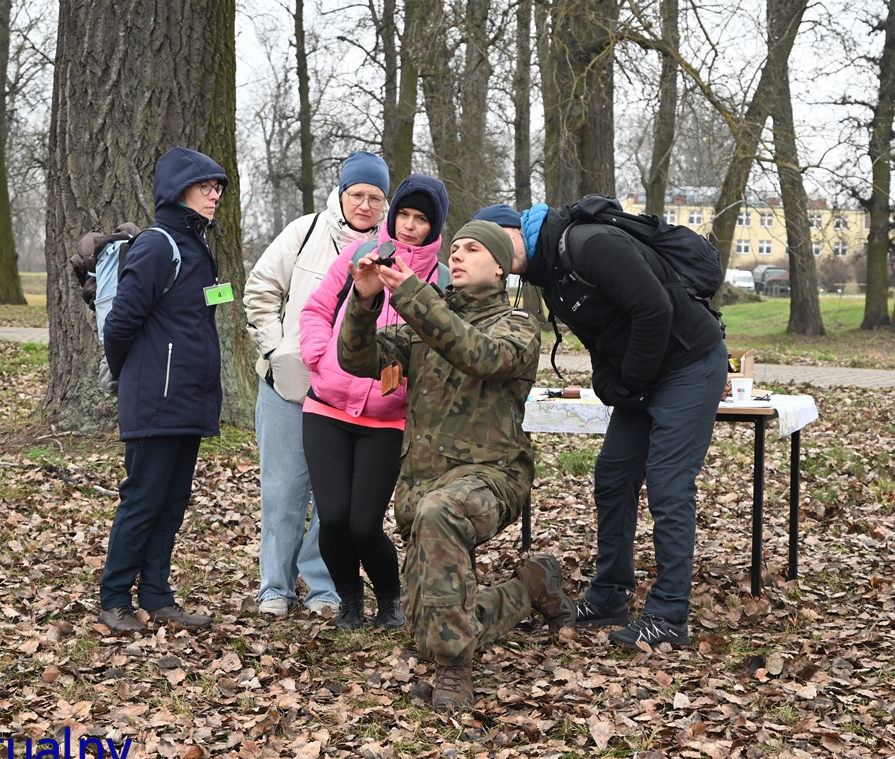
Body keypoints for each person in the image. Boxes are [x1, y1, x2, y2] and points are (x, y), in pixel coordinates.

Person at [338, 219, 577, 712]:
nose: (459, 256)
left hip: (491, 477)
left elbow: (480, 355)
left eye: (473, 249)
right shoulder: (426, 321)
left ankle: (454, 670)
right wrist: (363, 301)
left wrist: (412, 294)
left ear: (500, 267)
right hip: (423, 483)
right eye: (457, 248)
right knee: (426, 630)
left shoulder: (517, 324)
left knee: (440, 514)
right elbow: (357, 360)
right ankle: (530, 586)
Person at [481, 202, 726, 649]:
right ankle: (610, 594)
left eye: (496, 239)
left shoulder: (587, 243)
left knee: (669, 485)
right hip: (645, 374)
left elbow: (654, 309)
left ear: (516, 229)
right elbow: (600, 337)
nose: (494, 253)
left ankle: (669, 614)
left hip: (689, 362)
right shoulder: (550, 277)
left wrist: (629, 381)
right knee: (613, 477)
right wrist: (609, 384)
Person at [243, 152, 391, 618]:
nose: (365, 205)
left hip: (350, 399)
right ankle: (275, 587)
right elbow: (260, 290)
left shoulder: (391, 250)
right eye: (357, 194)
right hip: (289, 388)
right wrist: (276, 350)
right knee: (283, 491)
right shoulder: (304, 232)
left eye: (375, 197)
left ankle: (324, 588)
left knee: (333, 502)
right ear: (341, 194)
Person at [299, 175, 449, 630]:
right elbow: (316, 310)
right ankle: (349, 602)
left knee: (364, 524)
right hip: (326, 408)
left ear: (434, 227)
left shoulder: (440, 281)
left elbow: (444, 347)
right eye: (403, 214)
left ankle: (389, 601)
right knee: (333, 519)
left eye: (421, 219)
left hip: (387, 420)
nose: (409, 226)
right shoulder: (357, 255)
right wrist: (320, 357)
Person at [95, 147, 226, 634]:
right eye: (205, 187)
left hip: (190, 399)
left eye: (218, 188)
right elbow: (120, 325)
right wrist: (132, 378)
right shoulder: (158, 245)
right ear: (178, 191)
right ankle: (114, 600)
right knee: (143, 501)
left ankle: (156, 596)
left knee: (171, 505)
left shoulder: (199, 246)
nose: (214, 195)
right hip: (155, 400)